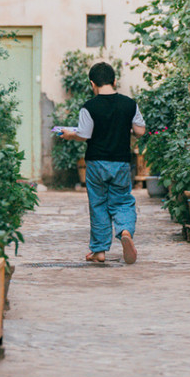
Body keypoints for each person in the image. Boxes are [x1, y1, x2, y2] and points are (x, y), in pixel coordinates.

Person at [56, 62, 146, 264]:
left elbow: (84, 135)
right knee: (122, 200)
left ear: (92, 83)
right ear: (115, 81)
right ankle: (125, 232)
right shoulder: (129, 104)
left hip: (96, 163)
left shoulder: (89, 107)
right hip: (121, 162)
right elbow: (140, 131)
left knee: (98, 204)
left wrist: (70, 134)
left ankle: (99, 251)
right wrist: (126, 128)